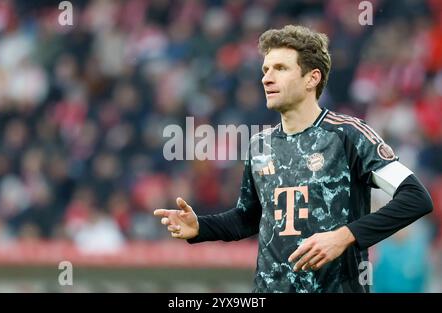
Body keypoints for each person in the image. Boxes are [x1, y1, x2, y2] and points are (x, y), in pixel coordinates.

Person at [153, 25, 433, 293]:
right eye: (265, 69)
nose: (266, 77)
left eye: (280, 68)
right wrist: (201, 227)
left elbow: (415, 198)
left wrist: (345, 235)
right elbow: (248, 219)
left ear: (312, 78)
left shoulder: (348, 135)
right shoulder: (259, 145)